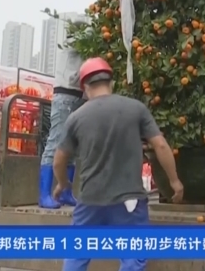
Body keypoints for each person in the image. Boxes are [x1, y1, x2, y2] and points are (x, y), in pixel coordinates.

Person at [53, 57, 183, 271]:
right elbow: (160, 146)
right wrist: (174, 181)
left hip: (90, 200)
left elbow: (59, 160)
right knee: (133, 258)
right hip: (129, 201)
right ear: (111, 82)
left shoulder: (76, 117)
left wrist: (62, 184)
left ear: (84, 87)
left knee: (76, 255)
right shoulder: (136, 109)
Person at [39, 15, 87, 209]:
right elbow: (90, 37)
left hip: (79, 97)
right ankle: (44, 195)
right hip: (65, 96)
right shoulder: (71, 43)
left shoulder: (84, 47)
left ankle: (65, 192)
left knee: (72, 147)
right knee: (56, 142)